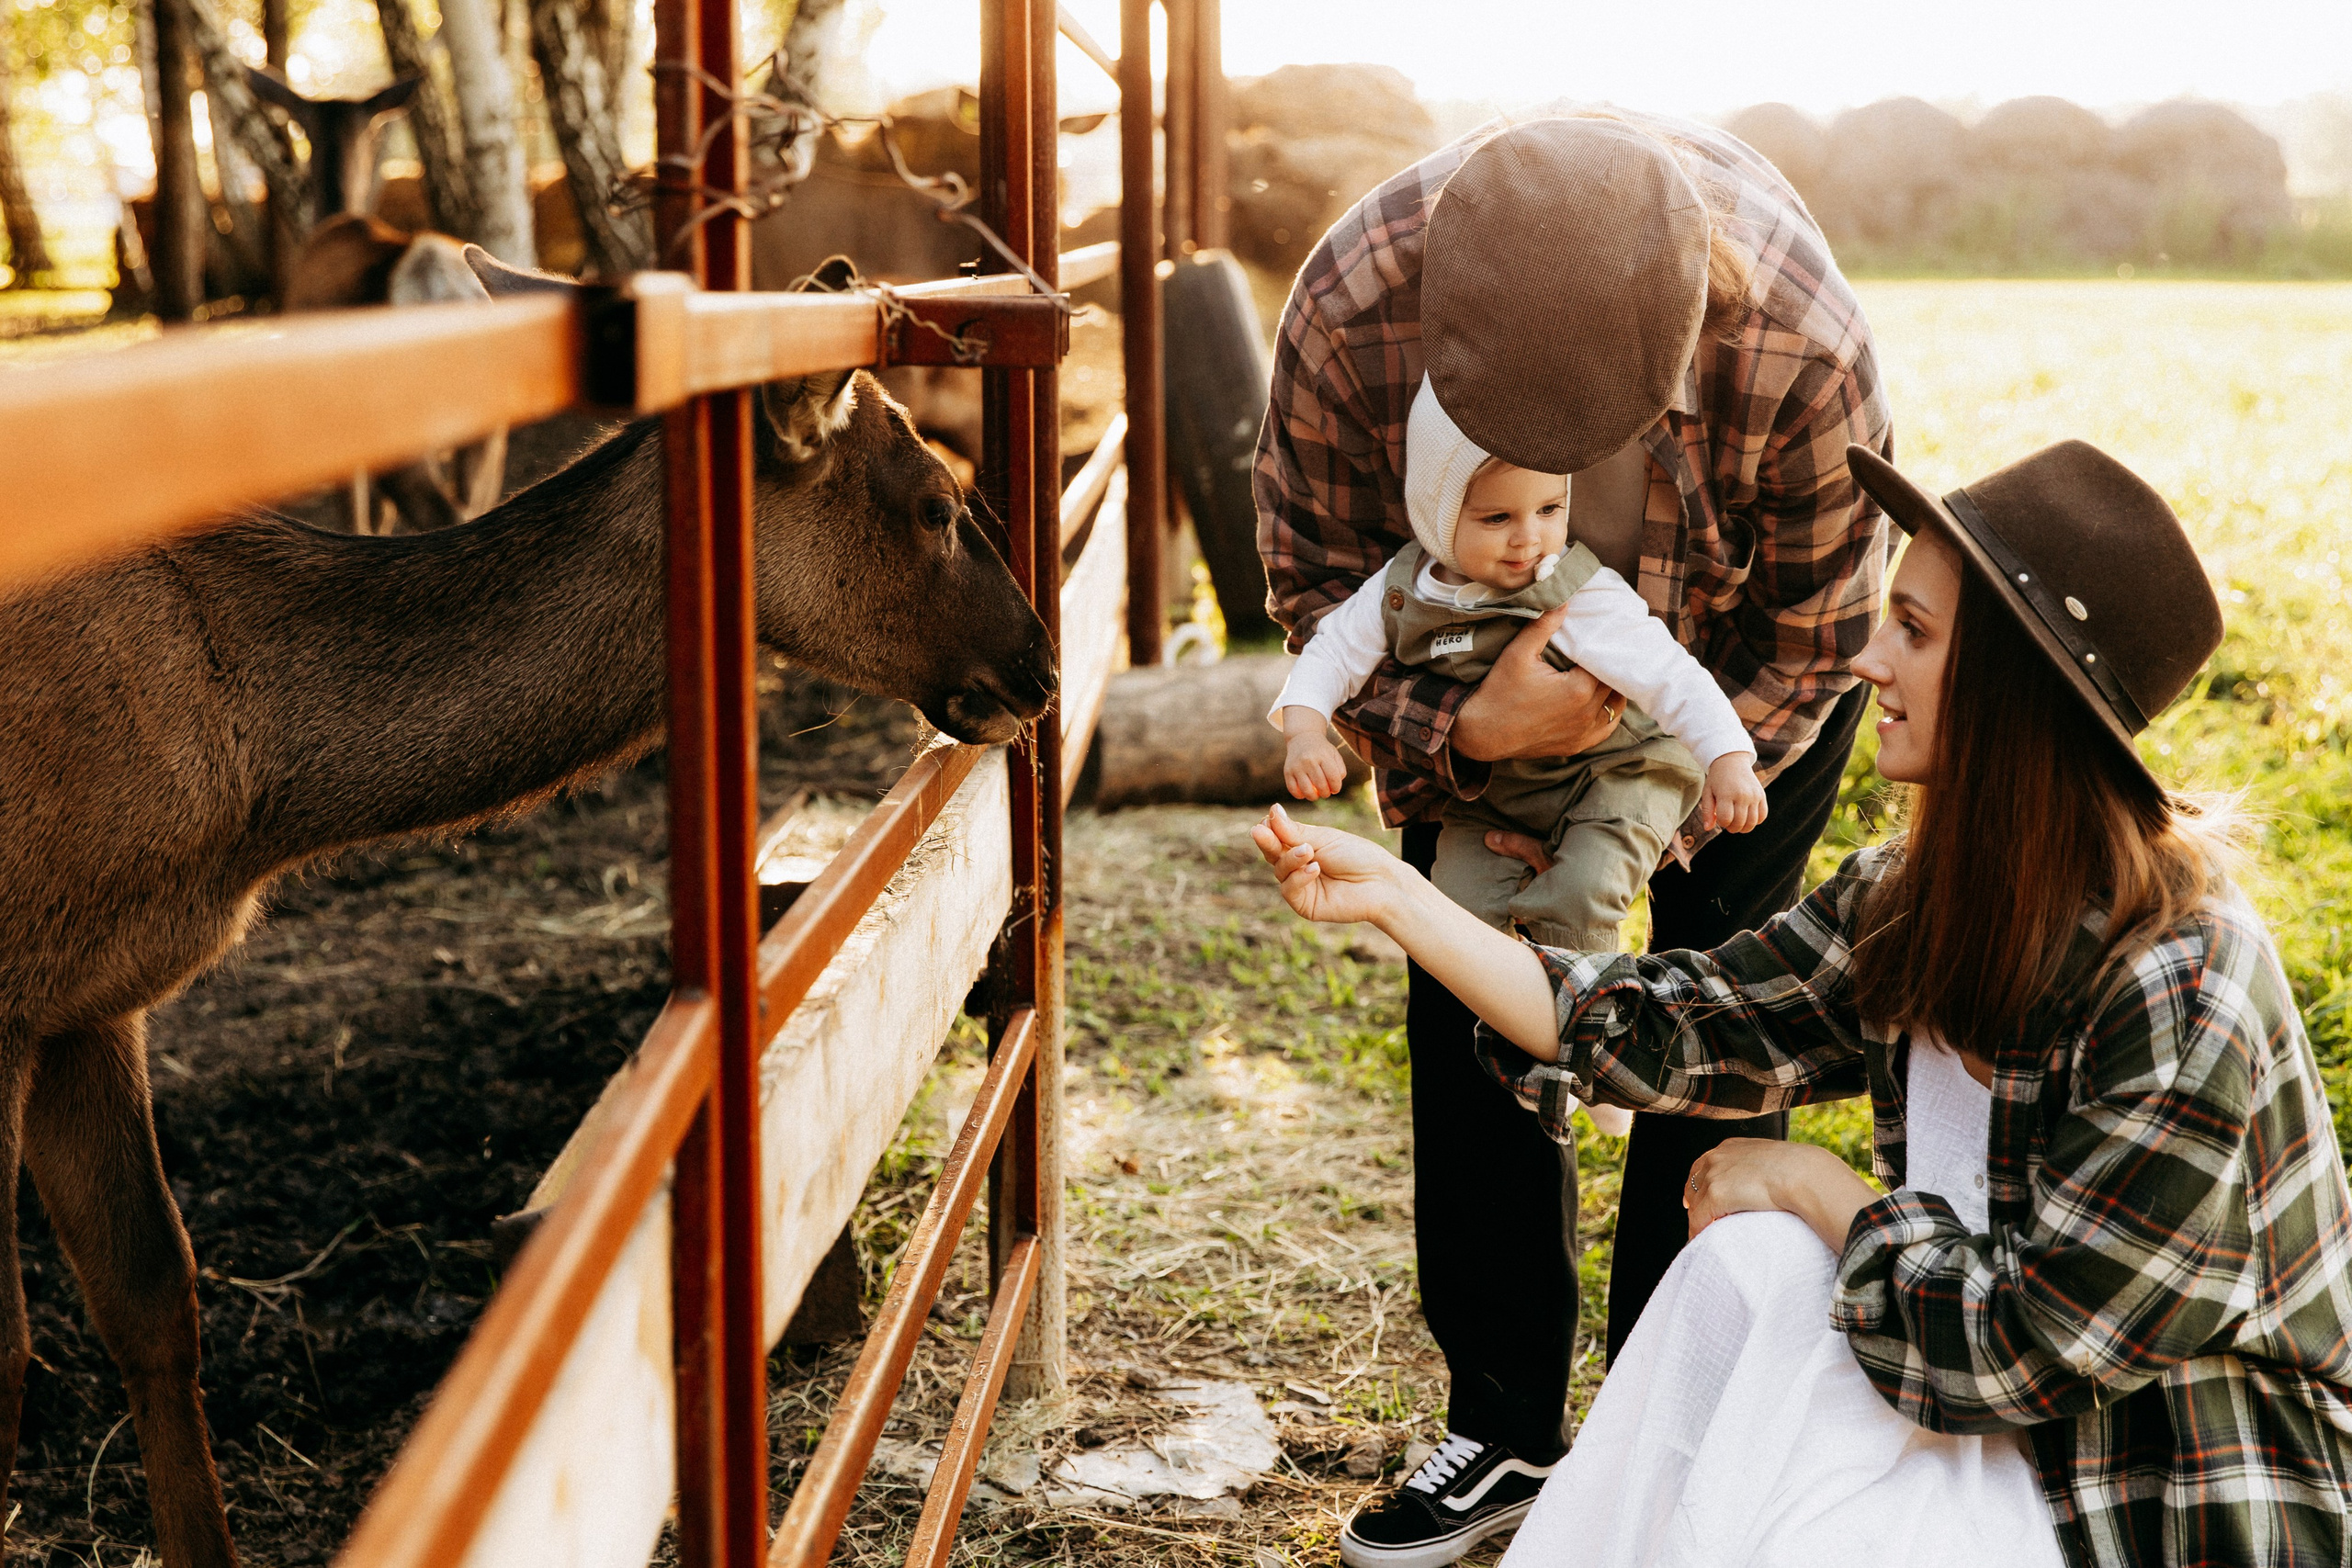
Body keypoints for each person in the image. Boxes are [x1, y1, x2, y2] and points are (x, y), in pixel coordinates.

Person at [1253, 438, 2352, 1567]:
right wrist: (1398, 899)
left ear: (2013, 687)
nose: (1869, 658)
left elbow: (2023, 1350)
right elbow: (1675, 1022)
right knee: (1743, 1274)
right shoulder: (1922, 894)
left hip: (2153, 1486)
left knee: (1788, 1396)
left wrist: (1818, 1185)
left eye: (1914, 631)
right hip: (1974, 1388)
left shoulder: (2179, 981)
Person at [1252, 106, 1890, 1563]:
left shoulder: (1802, 343)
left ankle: (1678, 1425)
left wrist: (1661, 791)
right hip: (1469, 685)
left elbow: (1818, 632)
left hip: (1731, 698)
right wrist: (1465, 739)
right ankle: (1504, 1421)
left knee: (1724, 1025)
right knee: (1476, 994)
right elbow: (1315, 582)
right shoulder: (1354, 310)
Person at [1274, 381, 1766, 987]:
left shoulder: (1576, 591)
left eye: (1548, 509)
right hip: (1498, 792)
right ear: (1436, 510)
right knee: (1453, 910)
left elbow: (1670, 672)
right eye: (1498, 516)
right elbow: (1331, 653)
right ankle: (1503, 1043)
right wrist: (1305, 732)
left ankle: (1586, 1039)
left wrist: (1729, 755)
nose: (1528, 537)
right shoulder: (1400, 590)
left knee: (1581, 895)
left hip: (1618, 772)